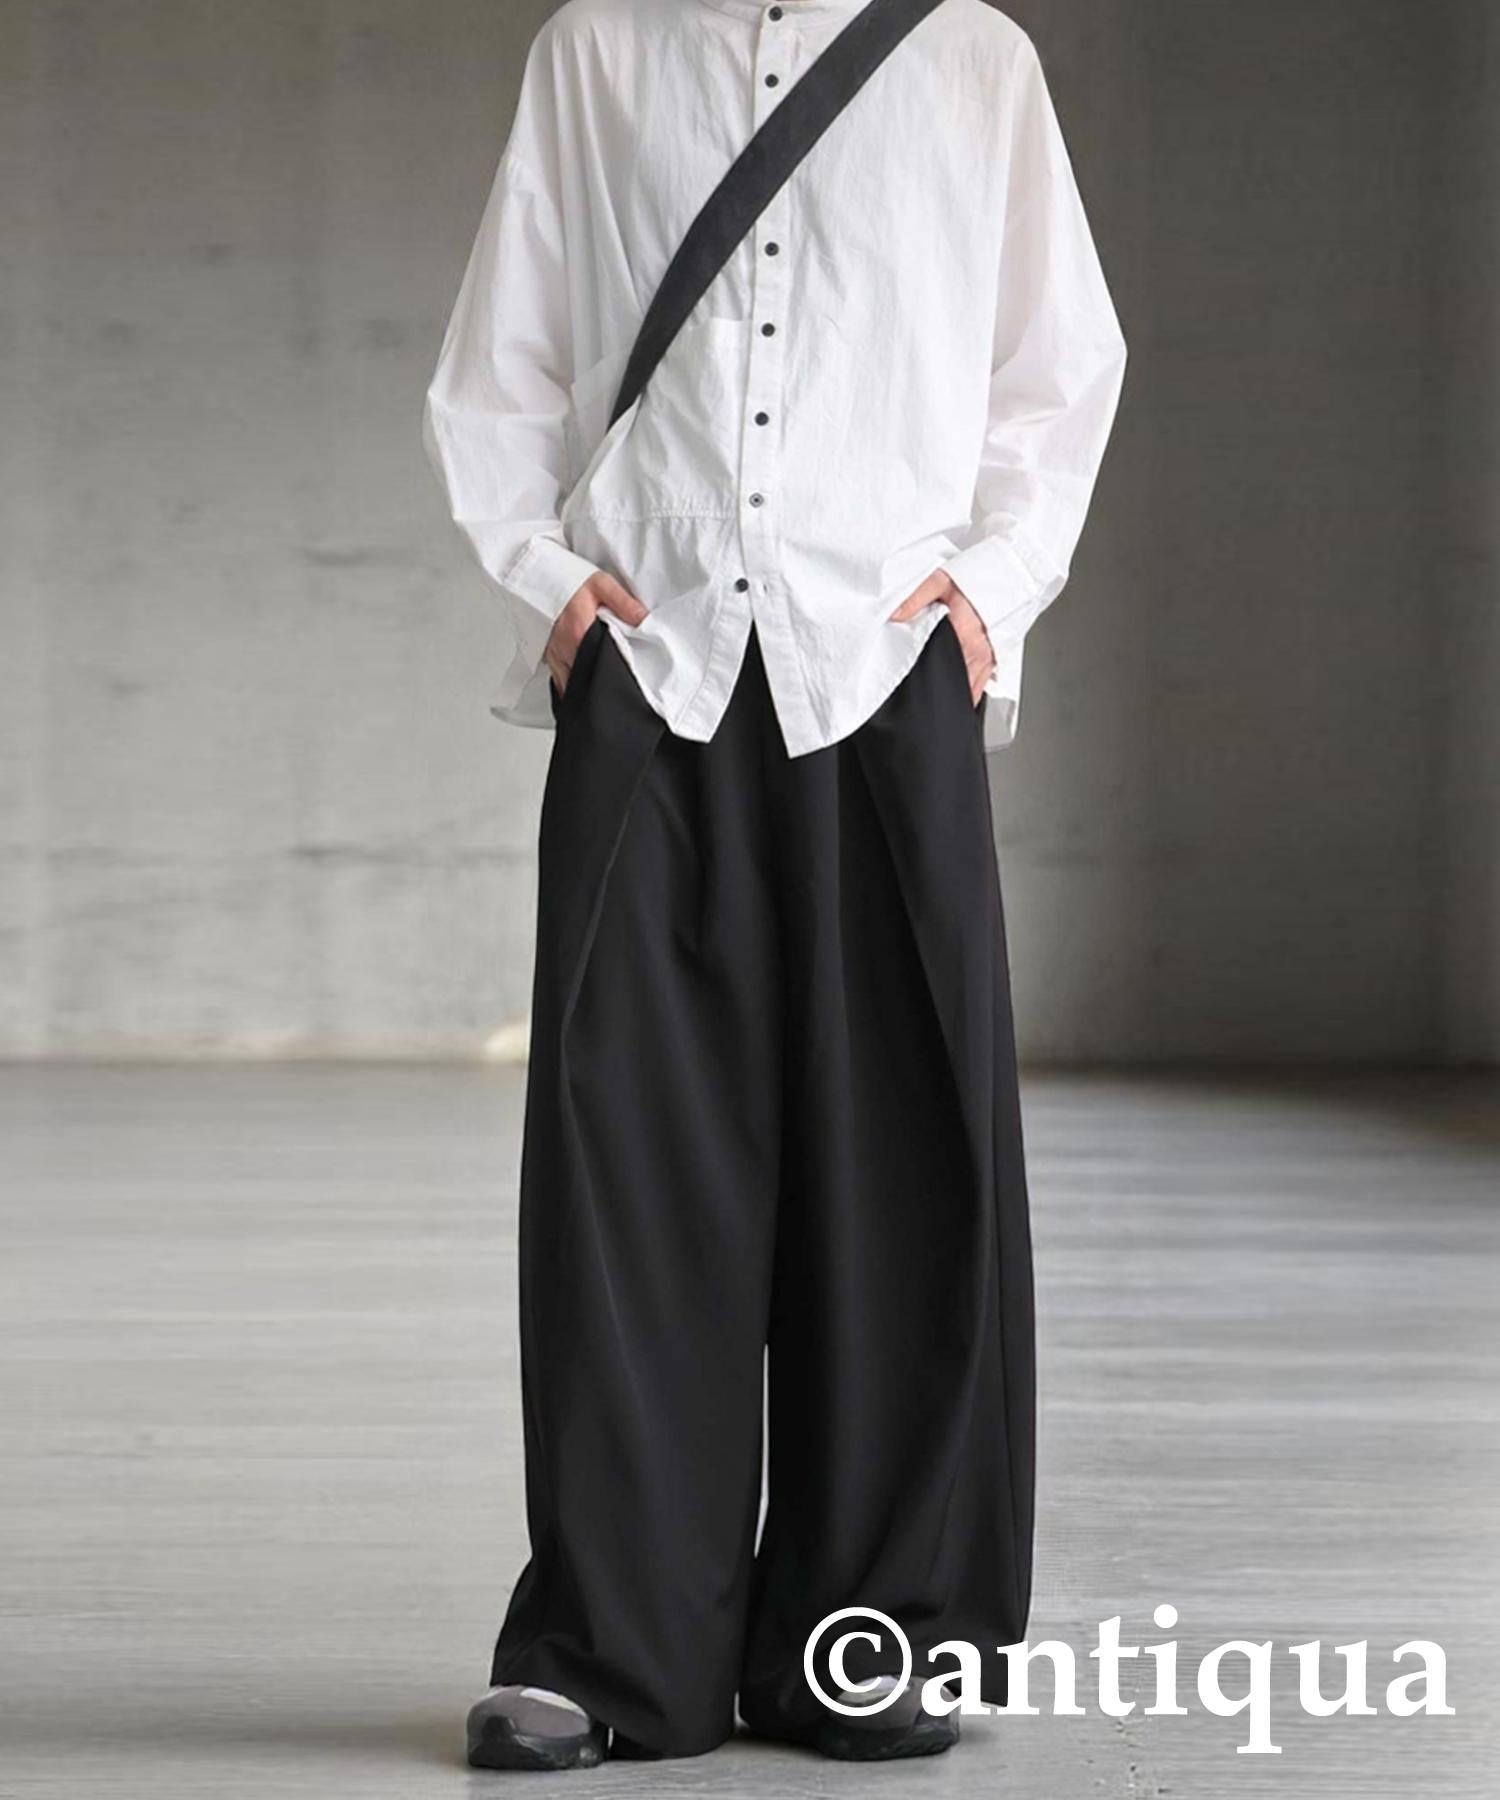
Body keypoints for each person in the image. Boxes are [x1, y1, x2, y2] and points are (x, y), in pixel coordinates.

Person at [424, 0, 1124, 1770]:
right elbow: (500, 357)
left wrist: (992, 594)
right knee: (625, 1170)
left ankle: (870, 1639)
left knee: (904, 1164)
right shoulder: (598, 45)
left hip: (883, 665)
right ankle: (611, 1650)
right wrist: (547, 582)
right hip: (651, 662)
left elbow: (1059, 367)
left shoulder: (971, 55)